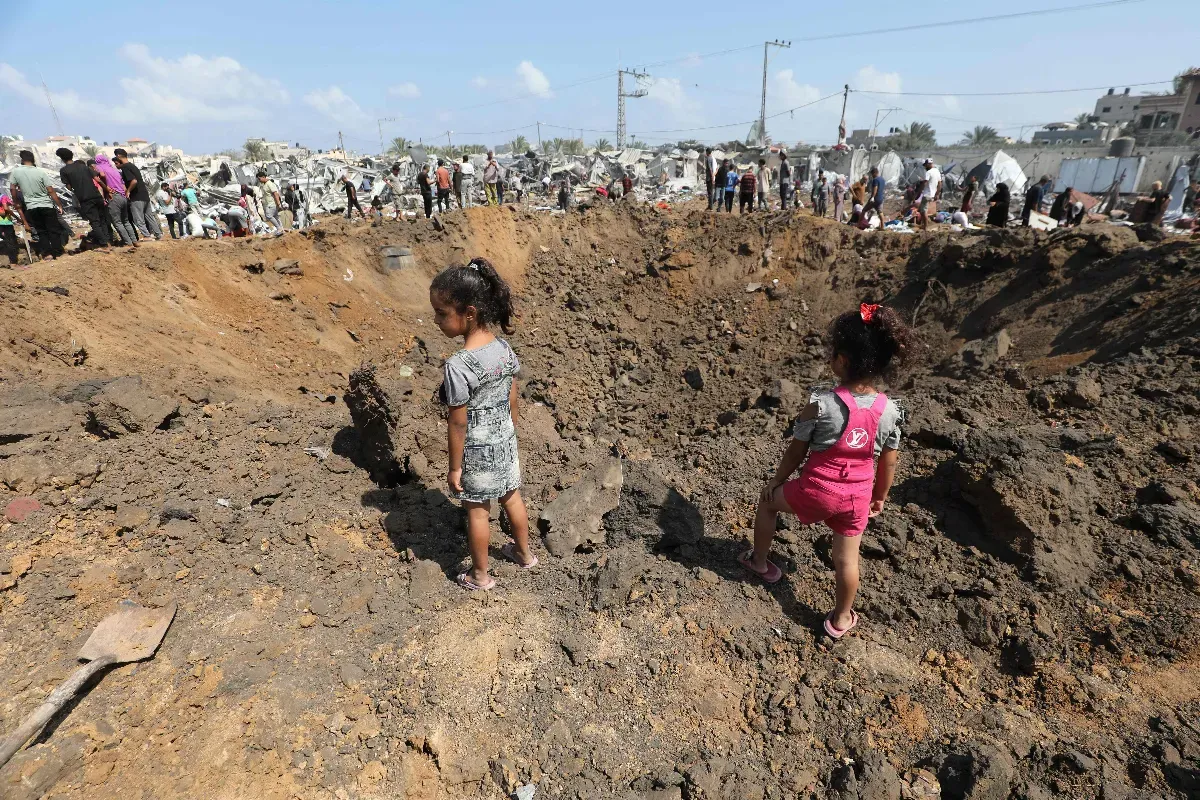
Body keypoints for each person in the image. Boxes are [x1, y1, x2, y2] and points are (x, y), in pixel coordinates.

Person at [742, 302, 913, 640]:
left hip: (816, 492)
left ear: (843, 361)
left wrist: (777, 481)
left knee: (768, 503)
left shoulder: (820, 402)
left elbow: (796, 450)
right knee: (847, 560)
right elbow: (888, 461)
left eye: (832, 354)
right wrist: (879, 497)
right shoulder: (891, 411)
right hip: (858, 498)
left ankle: (760, 563)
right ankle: (841, 618)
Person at [431, 257, 536, 590]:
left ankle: (479, 575)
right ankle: (524, 555)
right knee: (513, 498)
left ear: (470, 313)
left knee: (477, 512)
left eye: (441, 313)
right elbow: (512, 394)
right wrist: (511, 429)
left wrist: (454, 468)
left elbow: (458, 423)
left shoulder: (458, 365)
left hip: (477, 449)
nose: (436, 320)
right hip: (504, 439)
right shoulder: (503, 348)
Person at [13, 150, 70, 258]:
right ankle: (58, 252)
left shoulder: (16, 173)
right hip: (46, 205)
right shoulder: (40, 172)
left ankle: (47, 254)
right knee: (53, 229)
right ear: (33, 160)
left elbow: (12, 188)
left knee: (41, 231)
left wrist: (15, 201)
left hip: (32, 207)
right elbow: (50, 190)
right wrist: (59, 204)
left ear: (22, 160)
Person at [114, 149, 162, 240]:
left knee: (138, 218)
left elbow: (134, 181)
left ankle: (147, 236)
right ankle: (158, 234)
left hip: (136, 196)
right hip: (144, 195)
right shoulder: (133, 166)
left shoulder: (125, 167)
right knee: (149, 216)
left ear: (119, 156)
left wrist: (128, 191)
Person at [91, 154, 137, 245]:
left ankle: (128, 243)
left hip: (113, 196)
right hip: (122, 196)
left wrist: (106, 187)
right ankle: (134, 241)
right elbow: (123, 184)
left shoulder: (99, 167)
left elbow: (102, 175)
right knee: (126, 221)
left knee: (117, 222)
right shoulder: (114, 169)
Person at [918, 158, 940, 231]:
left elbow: (924, 183)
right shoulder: (937, 171)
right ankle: (924, 225)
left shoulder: (929, 172)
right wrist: (937, 194)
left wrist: (919, 192)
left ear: (928, 164)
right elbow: (940, 183)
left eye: (925, 165)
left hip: (927, 194)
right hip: (932, 195)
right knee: (923, 210)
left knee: (923, 211)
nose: (925, 167)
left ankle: (926, 226)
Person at [0, 195, 21, 265]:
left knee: (6, 240)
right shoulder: (3, 197)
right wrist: (16, 217)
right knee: (10, 242)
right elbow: (6, 209)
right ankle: (14, 262)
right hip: (5, 222)